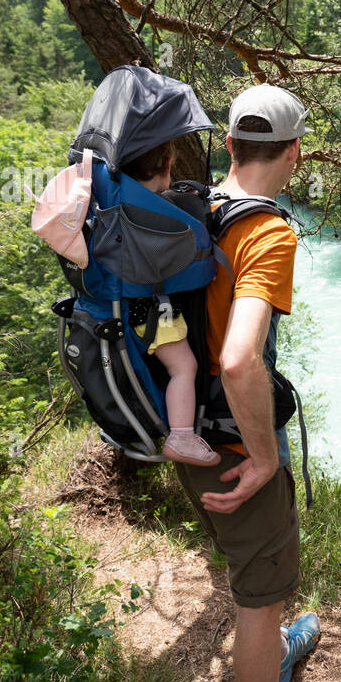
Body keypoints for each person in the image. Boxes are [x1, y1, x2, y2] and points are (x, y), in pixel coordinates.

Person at [171, 83, 341, 682]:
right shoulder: (266, 232)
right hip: (233, 442)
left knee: (246, 565)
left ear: (227, 145)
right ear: (296, 151)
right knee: (258, 592)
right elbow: (242, 360)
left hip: (181, 429)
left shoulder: (193, 210)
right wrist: (266, 456)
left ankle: (274, 649)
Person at [115, 139, 220, 467]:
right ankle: (181, 436)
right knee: (184, 367)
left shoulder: (118, 200)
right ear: (164, 169)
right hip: (152, 307)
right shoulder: (152, 212)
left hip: (128, 304)